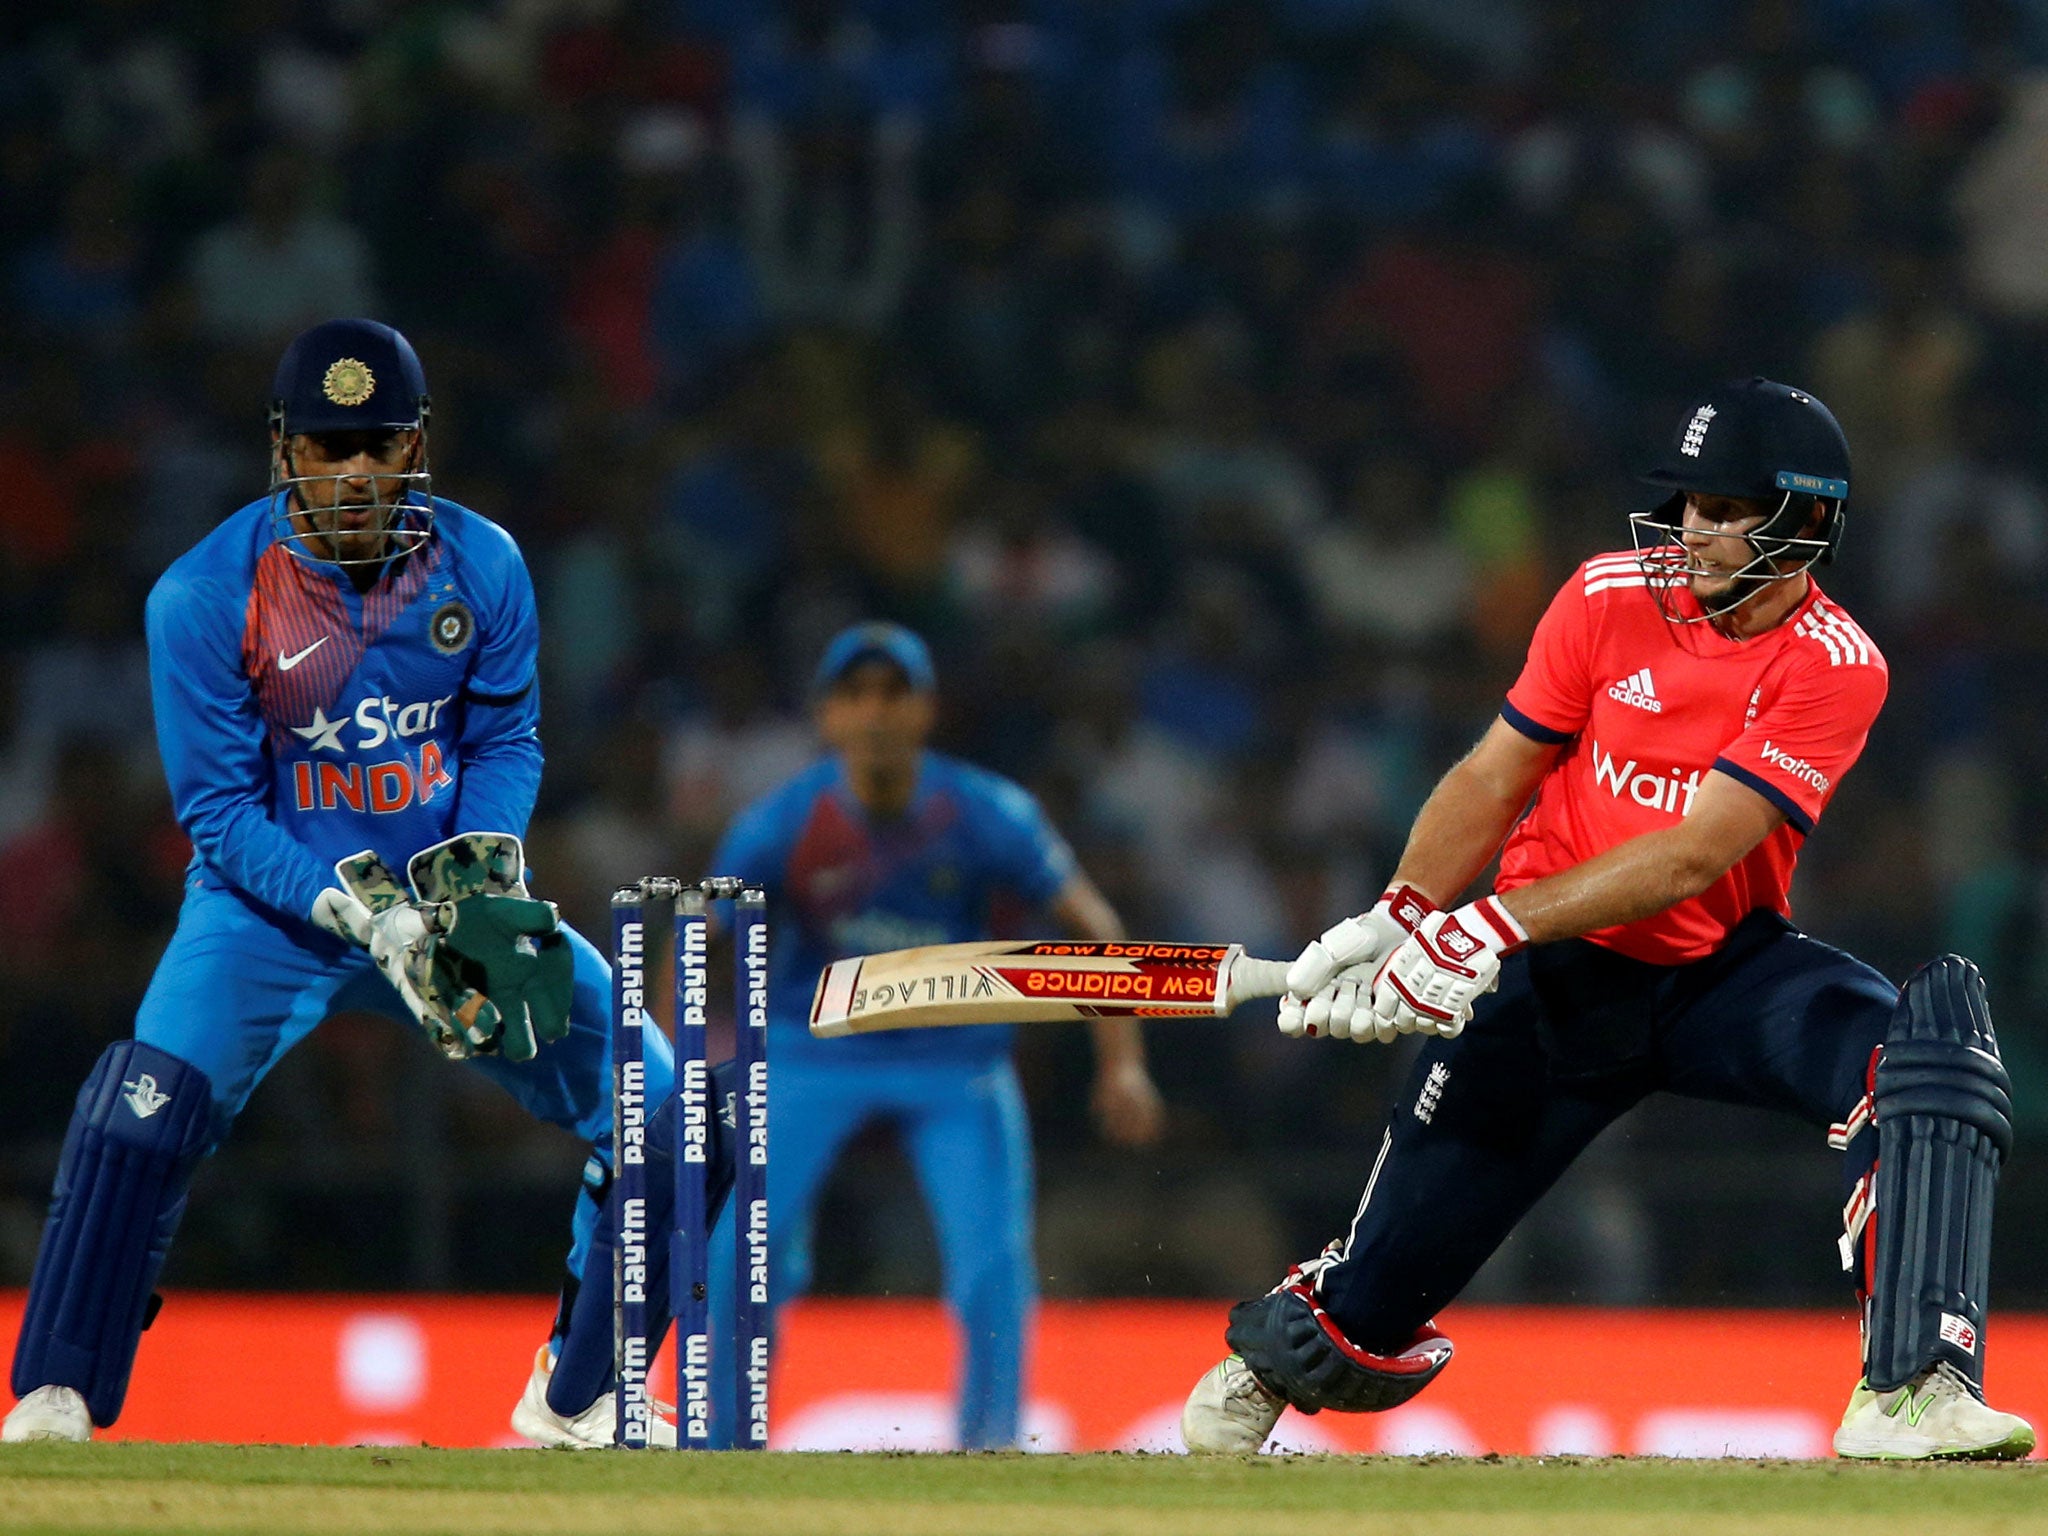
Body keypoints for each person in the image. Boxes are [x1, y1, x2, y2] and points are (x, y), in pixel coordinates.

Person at [1181, 378, 2035, 1462]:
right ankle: (1272, 1360)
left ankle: (1913, 1389)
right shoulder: (1603, 595)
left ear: (1808, 521)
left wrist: (1479, 925)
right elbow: (1492, 775)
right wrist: (1399, 914)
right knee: (1363, 1312)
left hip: (1714, 975)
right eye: (1688, 505)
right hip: (1545, 987)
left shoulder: (1834, 665)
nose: (1694, 531)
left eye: (1727, 510)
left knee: (1928, 1051)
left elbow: (1692, 853)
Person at [1, 318, 722, 1449]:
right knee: (136, 1119)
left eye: (378, 443)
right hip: (272, 913)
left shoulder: (483, 565)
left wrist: (481, 880)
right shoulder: (200, 597)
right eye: (329, 446)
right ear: (282, 450)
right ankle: (58, 1396)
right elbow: (221, 814)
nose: (353, 471)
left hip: (445, 908)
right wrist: (356, 911)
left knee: (675, 1121)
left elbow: (506, 742)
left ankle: (582, 1400)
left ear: (417, 444)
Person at [710, 621, 1165, 1450]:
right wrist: (691, 1069)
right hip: (814, 1048)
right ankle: (722, 1447)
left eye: (895, 694)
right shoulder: (782, 821)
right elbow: (701, 940)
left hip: (953, 1061)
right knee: (737, 1250)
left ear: (927, 711)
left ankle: (988, 1454)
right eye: (858, 695)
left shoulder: (987, 812)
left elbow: (1097, 930)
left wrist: (1123, 1066)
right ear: (828, 716)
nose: (876, 713)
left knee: (994, 1268)